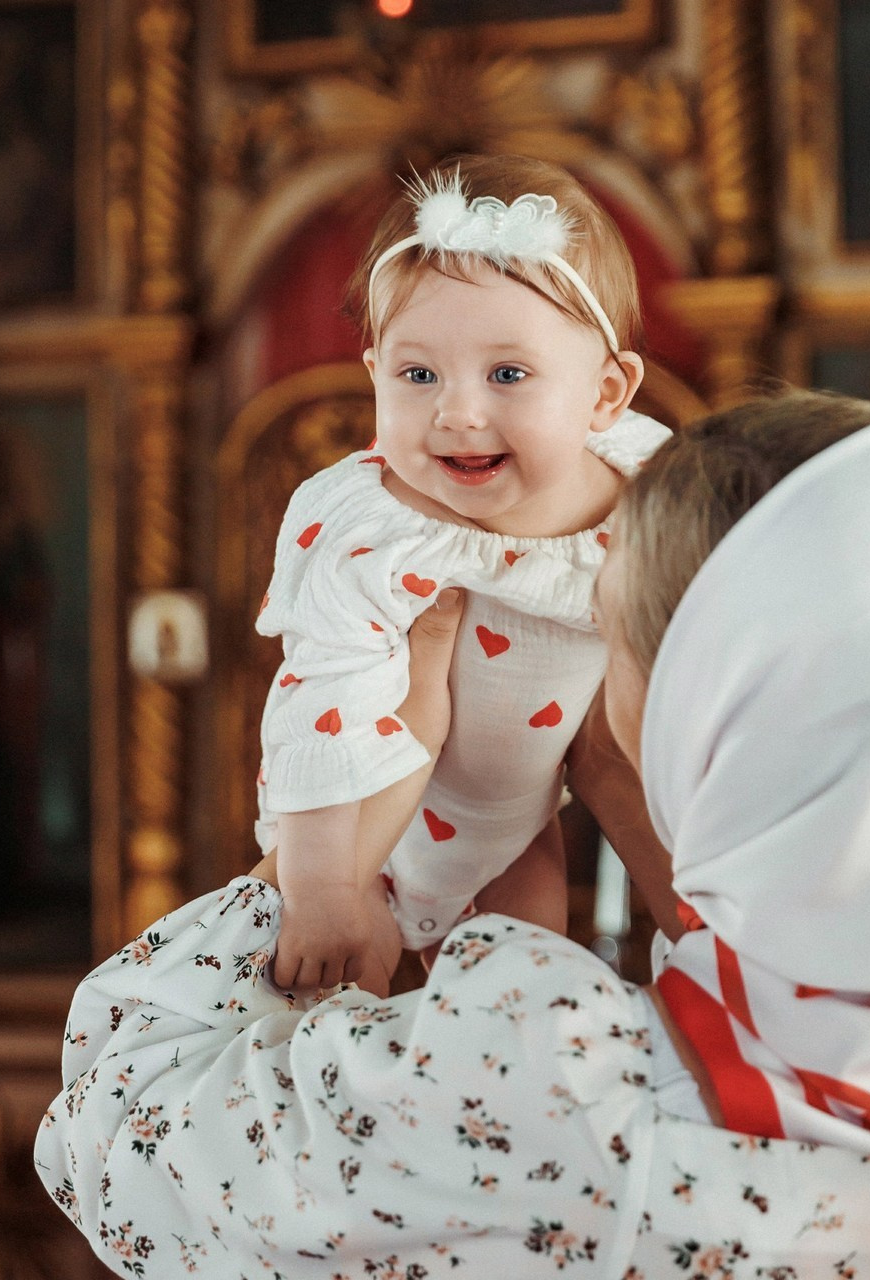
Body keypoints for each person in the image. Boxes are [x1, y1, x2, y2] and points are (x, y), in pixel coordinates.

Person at [36, 389, 870, 1278]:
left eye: (609, 633)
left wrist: (336, 848)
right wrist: (653, 833)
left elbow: (108, 1125)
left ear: (697, 700)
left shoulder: (564, 1094)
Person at [254, 154, 679, 995]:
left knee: (516, 1019)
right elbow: (320, 704)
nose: (457, 413)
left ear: (606, 394)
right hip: (366, 827)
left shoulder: (648, 498)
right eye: (418, 375)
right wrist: (323, 887)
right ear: (375, 376)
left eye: (508, 374)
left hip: (518, 833)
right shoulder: (371, 529)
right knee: (336, 1011)